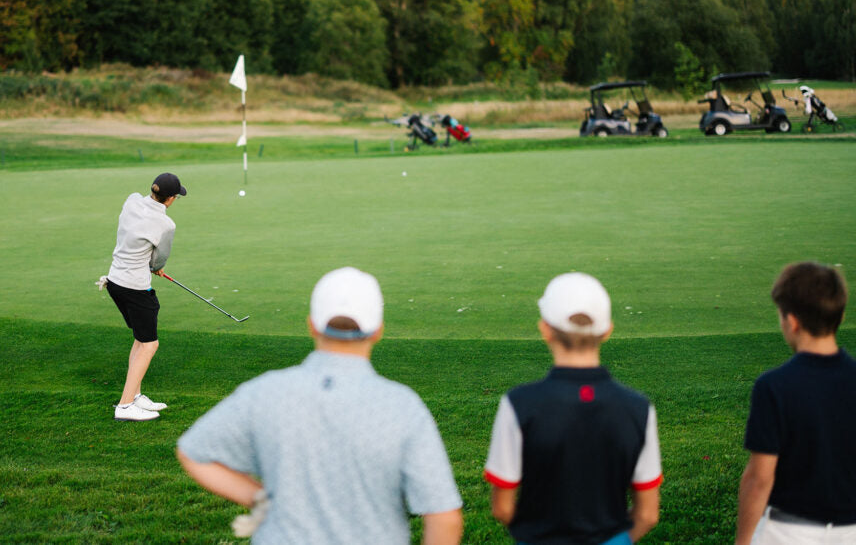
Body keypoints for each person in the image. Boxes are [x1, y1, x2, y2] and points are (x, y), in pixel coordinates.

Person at [176, 266, 464, 544]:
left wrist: (260, 499)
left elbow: (193, 452)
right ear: (378, 330)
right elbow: (444, 516)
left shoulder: (265, 391)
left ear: (312, 325)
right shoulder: (402, 406)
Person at [484, 272, 662, 544]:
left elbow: (502, 508)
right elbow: (647, 515)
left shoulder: (518, 404)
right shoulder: (639, 408)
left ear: (545, 329)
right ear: (607, 330)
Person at [736, 261, 856, 544]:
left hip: (788, 531)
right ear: (839, 316)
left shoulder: (774, 385)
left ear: (792, 322)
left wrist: (742, 540)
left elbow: (759, 478)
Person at [97, 172, 186, 421]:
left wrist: (151, 263)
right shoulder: (166, 225)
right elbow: (158, 260)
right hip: (135, 288)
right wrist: (156, 267)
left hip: (115, 282)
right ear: (170, 199)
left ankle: (134, 395)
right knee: (149, 344)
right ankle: (125, 406)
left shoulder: (132, 200)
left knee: (140, 340)